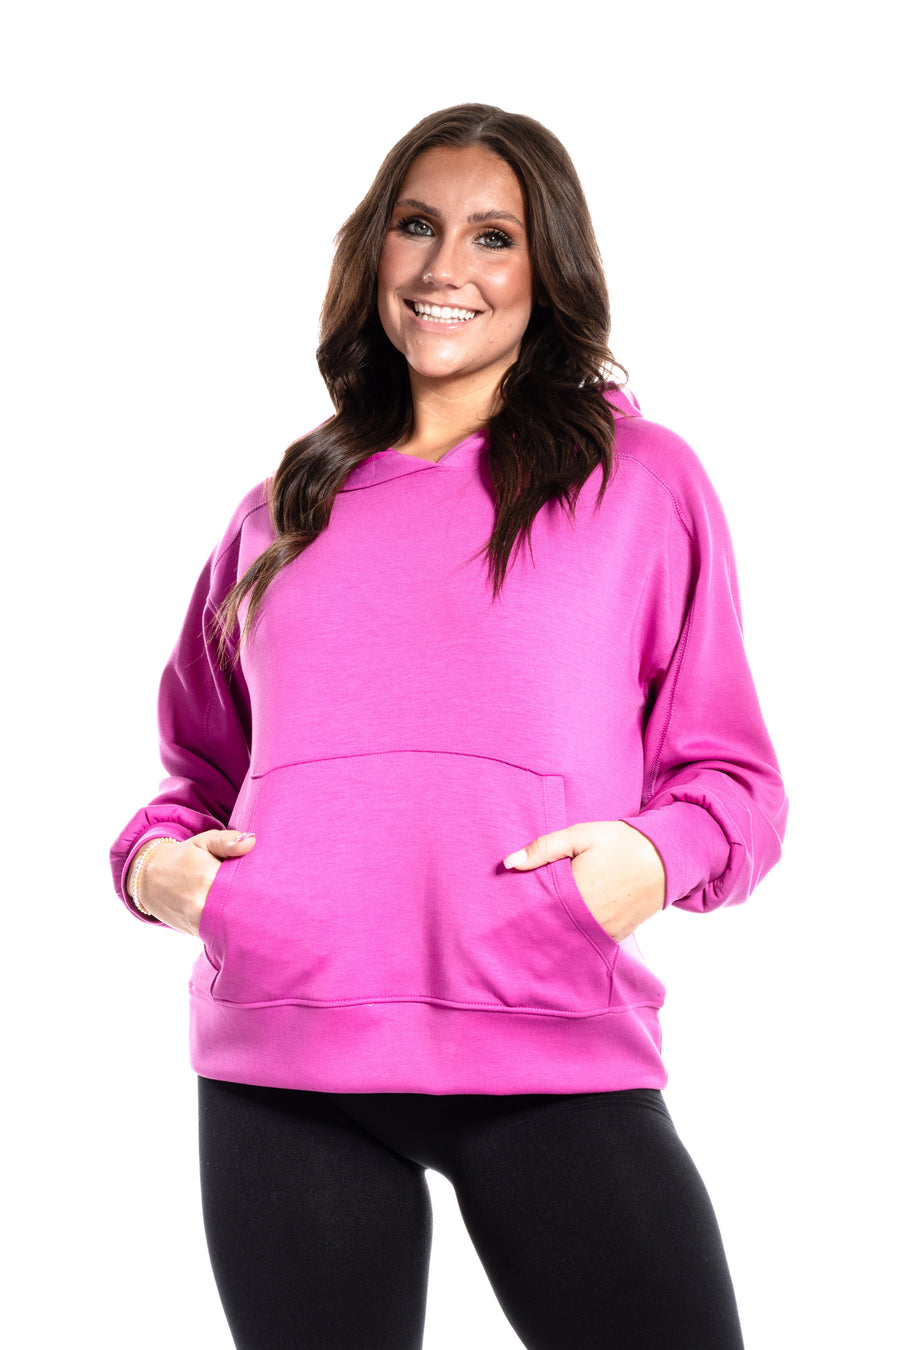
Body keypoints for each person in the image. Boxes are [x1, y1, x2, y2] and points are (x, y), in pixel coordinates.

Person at [110, 103, 787, 1350]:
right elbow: (197, 773)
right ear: (374, 248)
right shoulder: (279, 510)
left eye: (495, 236)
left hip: (545, 1034)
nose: (445, 267)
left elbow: (734, 780)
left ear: (549, 269)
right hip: (285, 1064)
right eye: (417, 225)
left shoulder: (639, 482)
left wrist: (647, 863)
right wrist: (157, 868)